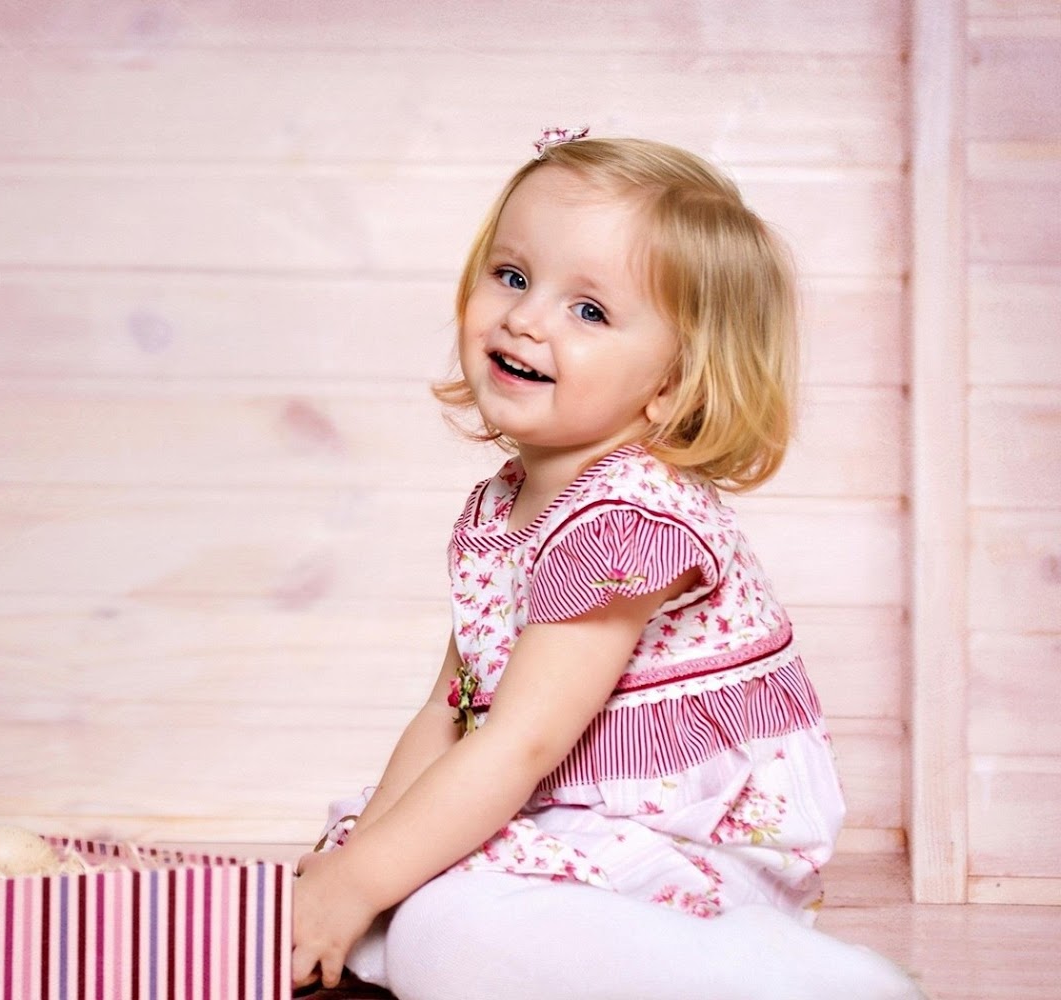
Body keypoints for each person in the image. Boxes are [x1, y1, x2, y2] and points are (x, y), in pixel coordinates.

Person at [289, 130, 924, 1000]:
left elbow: (521, 743)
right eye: (512, 276)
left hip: (683, 850)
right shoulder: (502, 509)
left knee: (440, 928)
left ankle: (805, 981)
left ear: (670, 384)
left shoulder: (625, 522)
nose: (524, 318)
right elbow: (454, 709)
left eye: (588, 311)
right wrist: (354, 872)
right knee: (377, 906)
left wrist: (364, 887)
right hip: (573, 818)